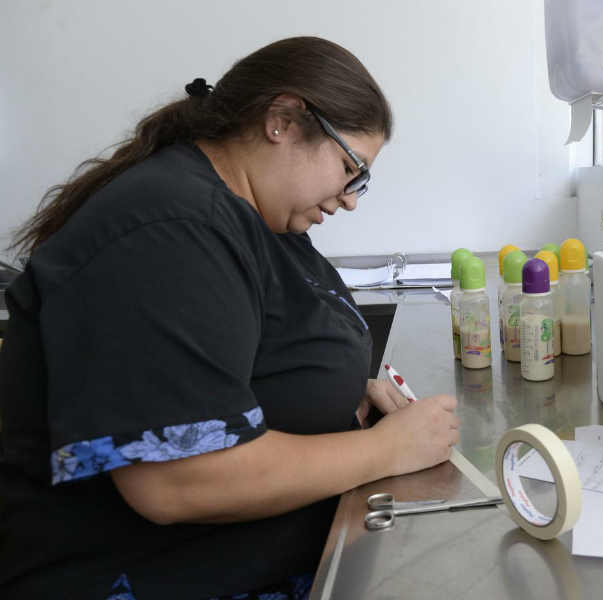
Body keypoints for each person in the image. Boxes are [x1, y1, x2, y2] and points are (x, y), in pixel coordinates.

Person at [0, 36, 460, 599]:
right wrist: (389, 450)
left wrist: (336, 393)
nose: (350, 199)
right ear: (283, 121)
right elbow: (176, 481)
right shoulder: (168, 232)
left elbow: (248, 361)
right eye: (349, 168)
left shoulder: (258, 222)